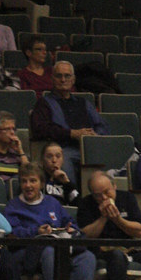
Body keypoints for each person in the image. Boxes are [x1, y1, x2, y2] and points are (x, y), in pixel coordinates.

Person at [4, 162, 95, 280]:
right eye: (24, 181)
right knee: (49, 251)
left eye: (33, 181)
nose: (28, 185)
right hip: (28, 252)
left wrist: (70, 228)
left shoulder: (52, 203)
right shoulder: (13, 206)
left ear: (41, 183)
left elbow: (70, 222)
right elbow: (11, 232)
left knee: (87, 258)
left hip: (57, 245)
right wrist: (36, 232)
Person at [29, 60, 108, 188]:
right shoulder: (44, 103)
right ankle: (71, 200)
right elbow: (40, 129)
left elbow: (102, 125)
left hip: (89, 148)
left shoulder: (83, 103)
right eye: (59, 76)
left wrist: (95, 135)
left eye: (67, 76)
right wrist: (71, 133)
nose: (63, 80)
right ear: (52, 79)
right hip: (62, 148)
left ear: (73, 80)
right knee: (63, 160)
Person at [0, 110, 29, 186]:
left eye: (13, 129)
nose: (12, 132)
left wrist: (20, 151)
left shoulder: (16, 154)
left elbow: (29, 174)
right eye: (7, 129)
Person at [41, 142, 79, 206]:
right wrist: (50, 181)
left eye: (58, 156)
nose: (54, 160)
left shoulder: (66, 181)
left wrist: (67, 183)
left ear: (63, 160)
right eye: (49, 157)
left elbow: (78, 205)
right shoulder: (37, 180)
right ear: (42, 161)